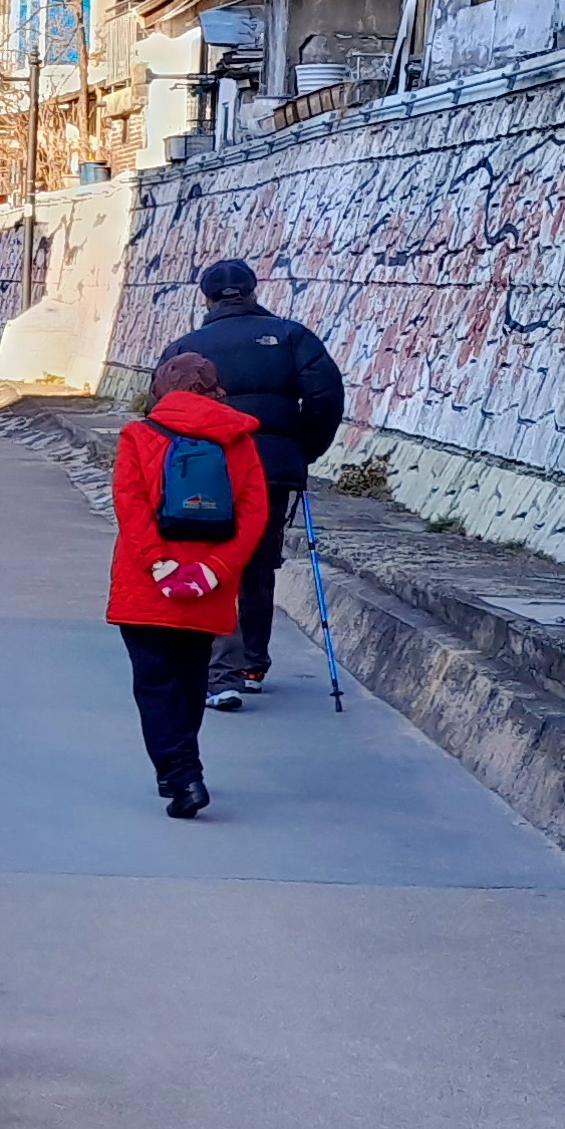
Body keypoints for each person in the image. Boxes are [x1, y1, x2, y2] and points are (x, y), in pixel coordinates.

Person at [154, 257, 347, 709]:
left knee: (214, 557)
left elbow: (161, 408)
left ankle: (220, 668)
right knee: (259, 564)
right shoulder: (291, 336)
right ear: (252, 291)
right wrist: (301, 449)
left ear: (206, 299)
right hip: (271, 468)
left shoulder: (186, 346)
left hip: (207, 471)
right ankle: (253, 664)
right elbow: (326, 396)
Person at [110, 350, 276, 818]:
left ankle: (182, 775)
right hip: (209, 585)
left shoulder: (139, 435)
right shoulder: (238, 441)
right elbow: (254, 513)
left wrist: (160, 565)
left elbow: (131, 506)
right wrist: (215, 569)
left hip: (147, 585)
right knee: (190, 679)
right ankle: (182, 768)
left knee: (155, 684)